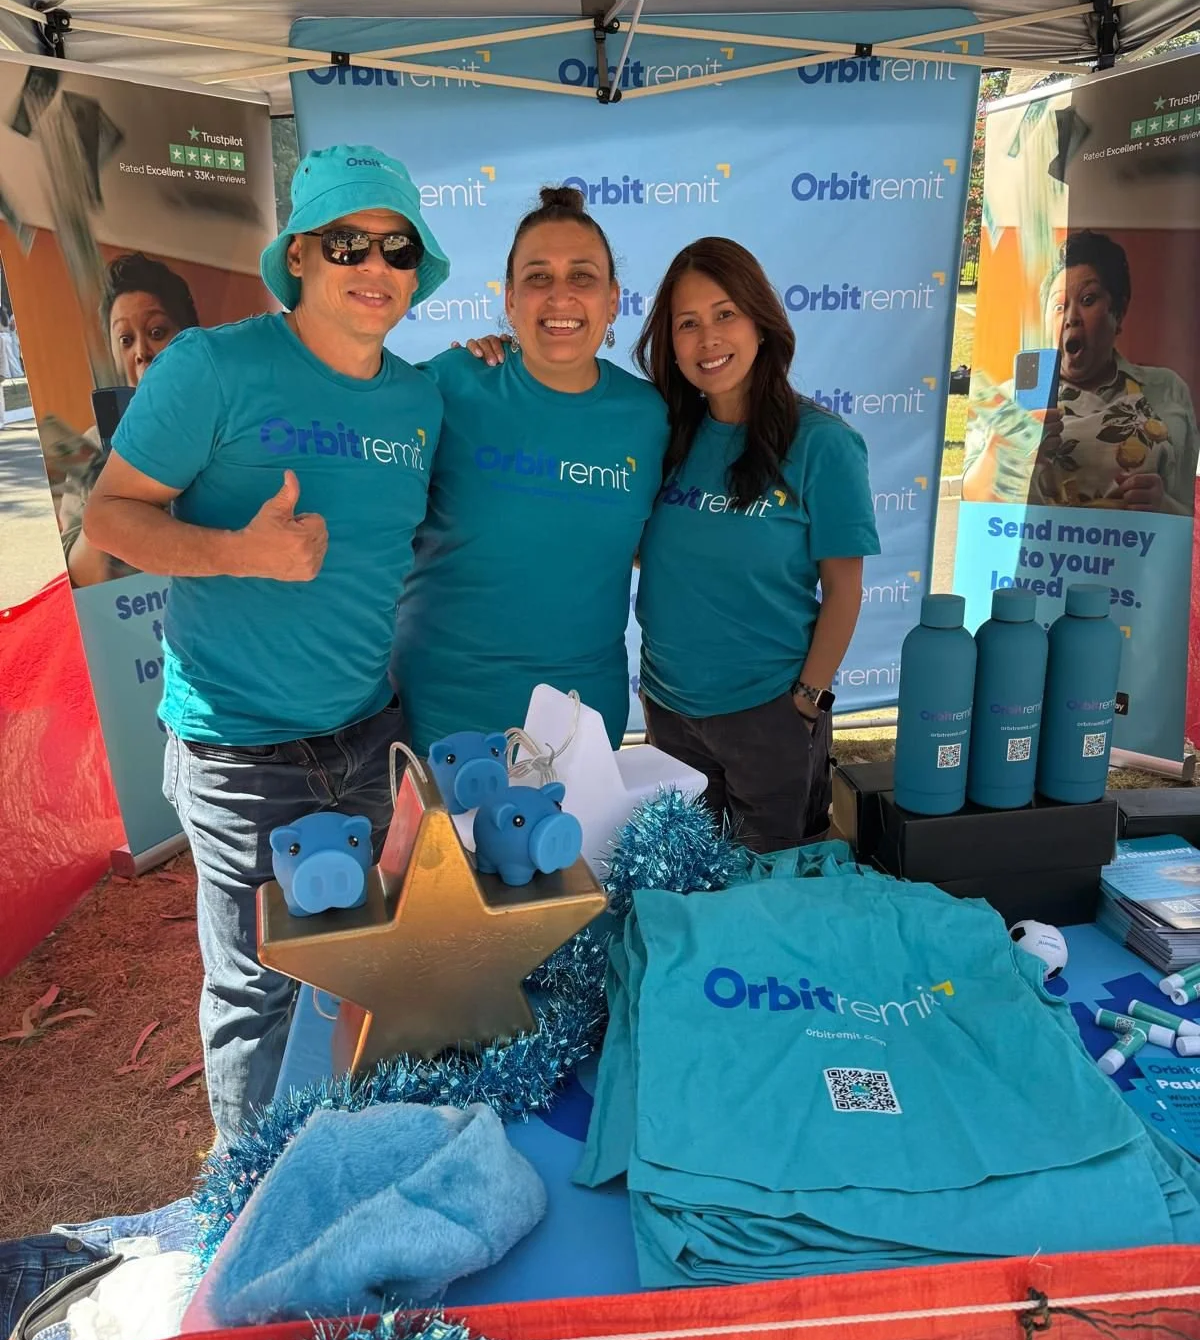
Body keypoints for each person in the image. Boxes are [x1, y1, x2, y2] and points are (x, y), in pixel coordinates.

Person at [82, 145, 450, 1147]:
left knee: (352, 966)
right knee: (257, 992)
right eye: (347, 242)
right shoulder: (213, 366)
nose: (373, 264)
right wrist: (238, 552)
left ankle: (334, 1166)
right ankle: (246, 1211)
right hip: (240, 755)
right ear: (299, 256)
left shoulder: (420, 400)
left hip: (366, 740)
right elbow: (108, 519)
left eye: (396, 245)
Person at [392, 185, 668, 753]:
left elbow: (656, 544)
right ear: (510, 299)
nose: (560, 296)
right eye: (538, 277)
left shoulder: (650, 417)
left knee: (572, 848)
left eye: (583, 277)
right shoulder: (450, 385)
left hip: (581, 719)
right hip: (443, 713)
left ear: (613, 300)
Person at [632, 237, 880, 852]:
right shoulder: (662, 436)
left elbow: (845, 589)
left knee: (772, 897)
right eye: (687, 324)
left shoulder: (821, 444)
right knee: (692, 889)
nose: (707, 338)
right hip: (669, 710)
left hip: (769, 714)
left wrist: (806, 701)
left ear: (761, 325)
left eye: (725, 315)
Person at [964, 230, 1199, 515]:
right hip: (1037, 558)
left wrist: (1162, 506)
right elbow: (972, 508)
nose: (1071, 318)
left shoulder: (1167, 389)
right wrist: (999, 451)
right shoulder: (1005, 401)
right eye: (1059, 305)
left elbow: (1187, 516)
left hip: (1131, 556)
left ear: (1119, 312)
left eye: (1088, 300)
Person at [59, 253, 202, 586]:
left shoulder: (226, 428)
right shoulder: (91, 446)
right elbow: (80, 580)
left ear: (190, 336)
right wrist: (106, 494)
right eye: (125, 339)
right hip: (129, 622)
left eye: (156, 331)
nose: (141, 351)